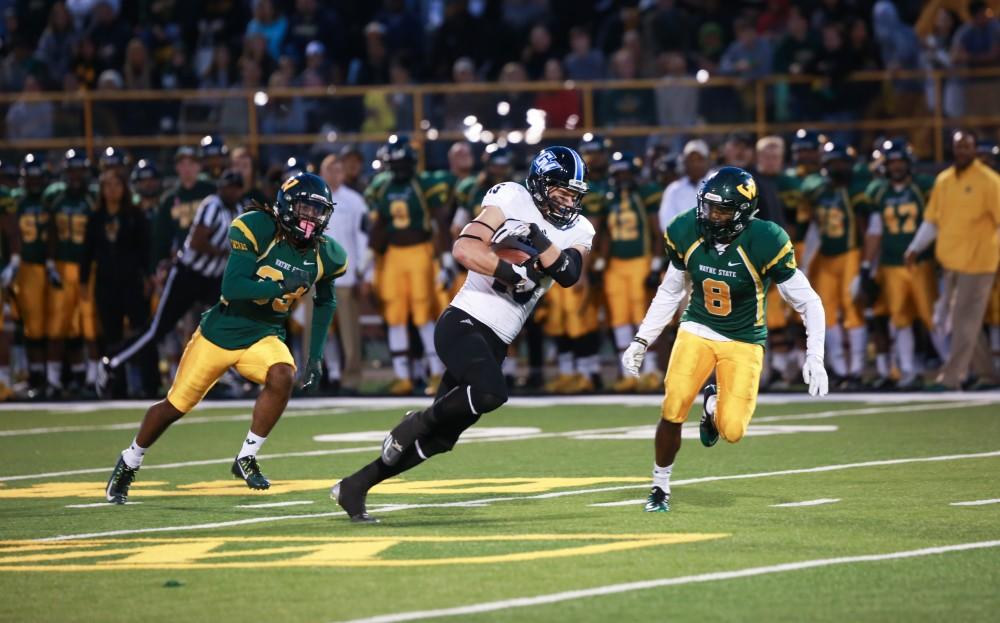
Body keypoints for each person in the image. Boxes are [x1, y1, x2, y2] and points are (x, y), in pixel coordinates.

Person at [332, 146, 595, 523]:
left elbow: (569, 273)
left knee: (441, 438)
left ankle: (355, 486)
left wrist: (536, 237)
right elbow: (464, 247)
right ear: (540, 183)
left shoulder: (580, 229)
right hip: (464, 321)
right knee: (490, 393)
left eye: (574, 195)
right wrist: (510, 273)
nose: (568, 202)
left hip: (498, 339)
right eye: (562, 192)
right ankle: (415, 422)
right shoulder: (510, 197)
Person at [105, 172, 345, 504]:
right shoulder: (258, 228)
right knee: (175, 406)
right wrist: (279, 287)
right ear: (288, 207)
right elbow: (232, 287)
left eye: (318, 212)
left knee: (282, 374)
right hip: (221, 332)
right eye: (305, 209)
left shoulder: (326, 253)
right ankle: (130, 460)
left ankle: (247, 456)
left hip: (264, 335)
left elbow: (326, 300)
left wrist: (315, 356)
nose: (311, 219)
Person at [621, 167, 828, 513]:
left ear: (743, 212)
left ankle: (713, 403)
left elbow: (809, 301)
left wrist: (815, 356)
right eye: (708, 207)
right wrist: (641, 340)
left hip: (744, 339)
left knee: (733, 430)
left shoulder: (767, 239)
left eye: (721, 210)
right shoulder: (686, 229)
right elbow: (671, 293)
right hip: (697, 328)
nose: (711, 215)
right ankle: (660, 486)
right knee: (672, 407)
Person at [97, 170, 246, 394]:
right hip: (188, 274)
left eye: (235, 187)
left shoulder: (238, 210)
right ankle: (112, 362)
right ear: (221, 187)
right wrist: (226, 253)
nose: (231, 191)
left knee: (231, 321)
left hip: (213, 279)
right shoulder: (212, 205)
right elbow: (197, 241)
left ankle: (225, 374)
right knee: (158, 328)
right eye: (227, 186)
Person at [904, 130, 1000, 390]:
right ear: (952, 149)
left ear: (975, 150)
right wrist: (915, 247)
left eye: (967, 148)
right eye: (959, 147)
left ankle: (952, 377)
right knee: (965, 321)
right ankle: (987, 374)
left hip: (979, 263)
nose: (962, 152)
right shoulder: (944, 180)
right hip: (951, 263)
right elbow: (932, 221)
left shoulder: (989, 181)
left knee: (962, 320)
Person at [365, 136, 451, 395]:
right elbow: (378, 226)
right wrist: (367, 261)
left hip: (420, 254)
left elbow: (439, 223)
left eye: (401, 162)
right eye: (394, 162)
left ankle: (437, 374)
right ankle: (403, 377)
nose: (398, 167)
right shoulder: (382, 186)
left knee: (424, 314)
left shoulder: (424, 184)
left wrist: (445, 258)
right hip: (393, 255)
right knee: (395, 316)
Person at [860, 139, 938, 389]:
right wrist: (865, 266)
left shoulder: (922, 187)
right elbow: (874, 231)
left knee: (932, 317)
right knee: (899, 319)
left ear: (909, 163)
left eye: (899, 162)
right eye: (891, 162)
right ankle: (908, 371)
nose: (896, 167)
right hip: (891, 263)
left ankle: (954, 366)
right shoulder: (878, 191)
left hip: (921, 262)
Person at [82, 168, 157, 397]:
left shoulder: (134, 214)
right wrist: (84, 281)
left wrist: (149, 277)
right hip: (106, 284)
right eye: (107, 185)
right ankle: (117, 386)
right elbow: (87, 252)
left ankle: (150, 384)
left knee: (142, 332)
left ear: (125, 188)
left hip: (132, 282)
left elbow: (147, 249)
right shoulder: (96, 218)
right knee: (111, 335)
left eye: (116, 184)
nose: (112, 189)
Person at [803, 141, 870, 388]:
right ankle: (841, 370)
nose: (838, 168)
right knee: (825, 312)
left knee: (852, 308)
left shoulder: (856, 191)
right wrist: (806, 262)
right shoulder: (818, 191)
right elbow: (812, 228)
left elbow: (866, 228)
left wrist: (866, 265)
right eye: (833, 163)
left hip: (851, 253)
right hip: (826, 257)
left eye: (842, 163)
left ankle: (857, 370)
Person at [44, 149, 97, 397]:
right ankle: (54, 381)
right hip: (63, 266)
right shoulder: (55, 197)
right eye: (72, 170)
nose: (76, 176)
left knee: (90, 326)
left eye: (80, 170)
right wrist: (50, 263)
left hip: (88, 268)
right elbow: (51, 232)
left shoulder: (93, 198)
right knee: (58, 325)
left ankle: (93, 380)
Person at [319, 153, 368, 394]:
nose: (333, 175)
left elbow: (363, 238)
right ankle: (317, 378)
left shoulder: (355, 201)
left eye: (337, 170)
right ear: (321, 173)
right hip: (317, 277)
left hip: (346, 276)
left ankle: (350, 380)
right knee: (316, 332)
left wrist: (363, 272)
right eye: (329, 170)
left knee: (349, 333)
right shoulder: (311, 200)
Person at [659, 139, 711, 229]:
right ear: (685, 162)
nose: (695, 164)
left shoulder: (720, 183)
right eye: (691, 159)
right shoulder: (673, 189)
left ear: (708, 161)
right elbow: (667, 224)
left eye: (699, 159)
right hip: (683, 242)